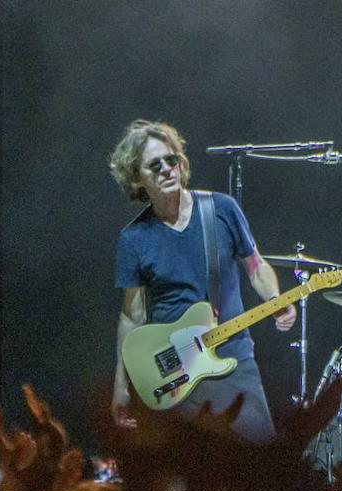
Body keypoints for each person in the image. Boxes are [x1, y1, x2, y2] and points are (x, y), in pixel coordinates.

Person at [108, 119, 296, 442]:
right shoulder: (134, 238)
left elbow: (256, 265)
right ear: (137, 178)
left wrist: (275, 298)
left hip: (232, 358)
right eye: (155, 165)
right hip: (174, 374)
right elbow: (131, 316)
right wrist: (121, 387)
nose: (167, 169)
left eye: (172, 160)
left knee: (261, 470)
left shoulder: (221, 209)